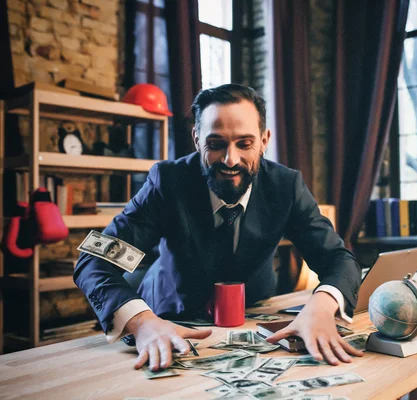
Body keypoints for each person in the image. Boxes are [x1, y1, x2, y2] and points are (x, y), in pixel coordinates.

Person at [74, 84, 363, 372]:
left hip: (254, 315)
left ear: (264, 141)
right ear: (197, 139)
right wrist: (141, 322)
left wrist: (321, 306)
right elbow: (93, 262)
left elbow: (338, 259)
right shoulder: (167, 183)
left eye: (245, 144)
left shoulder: (286, 186)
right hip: (170, 317)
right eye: (216, 144)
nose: (230, 160)